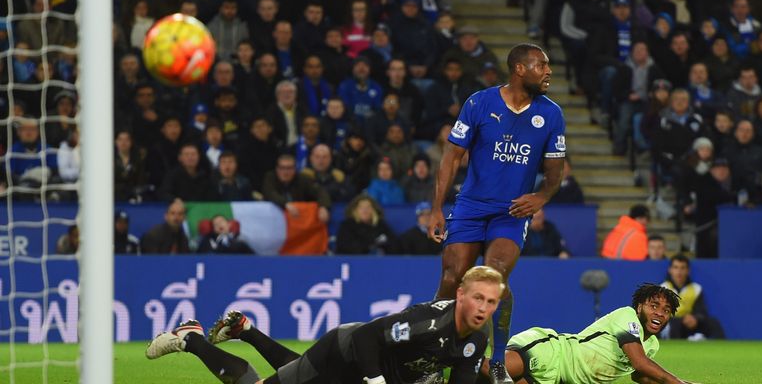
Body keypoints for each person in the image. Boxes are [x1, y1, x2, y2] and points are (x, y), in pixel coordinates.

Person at [429, 43, 565, 383]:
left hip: (511, 211)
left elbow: (555, 170)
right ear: (520, 69)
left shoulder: (551, 113)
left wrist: (541, 197)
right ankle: (431, 359)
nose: (548, 72)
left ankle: (499, 361)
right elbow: (451, 157)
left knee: (495, 275)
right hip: (470, 207)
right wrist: (437, 208)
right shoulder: (479, 102)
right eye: (542, 66)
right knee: (451, 278)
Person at [147, 266, 504, 384]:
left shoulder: (478, 338)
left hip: (368, 372)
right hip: (347, 352)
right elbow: (367, 337)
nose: (482, 308)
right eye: (477, 298)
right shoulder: (428, 324)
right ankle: (191, 338)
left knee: (301, 374)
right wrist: (376, 380)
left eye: (490, 302)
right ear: (460, 294)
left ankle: (247, 332)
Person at [488, 284, 696, 384]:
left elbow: (640, 375)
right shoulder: (627, 315)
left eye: (666, 310)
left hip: (558, 379)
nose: (660, 313)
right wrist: (676, 382)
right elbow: (640, 363)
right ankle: (464, 353)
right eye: (654, 306)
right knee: (492, 371)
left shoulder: (652, 345)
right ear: (640, 306)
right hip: (552, 352)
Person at [661, 254, 725, 340]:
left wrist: (695, 318)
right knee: (671, 325)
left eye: (682, 268)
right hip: (673, 323)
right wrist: (681, 320)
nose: (679, 272)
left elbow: (701, 311)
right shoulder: (663, 289)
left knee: (713, 323)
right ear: (670, 270)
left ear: (688, 271)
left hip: (691, 322)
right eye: (676, 267)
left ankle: (720, 348)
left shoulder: (696, 288)